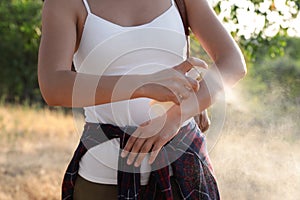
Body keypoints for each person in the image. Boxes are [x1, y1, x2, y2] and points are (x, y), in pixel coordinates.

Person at [38, 0, 247, 199]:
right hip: (106, 178)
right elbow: (53, 85)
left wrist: (176, 117)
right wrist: (143, 84)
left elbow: (232, 62)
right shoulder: (64, 3)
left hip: (184, 168)